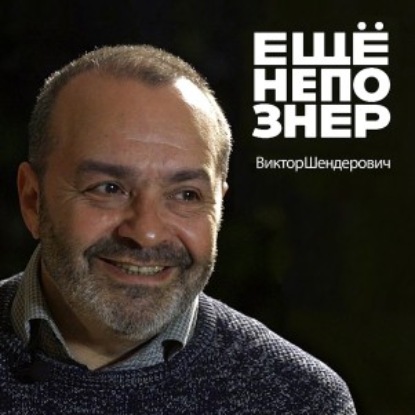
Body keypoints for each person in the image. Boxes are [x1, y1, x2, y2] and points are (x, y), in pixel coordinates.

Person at [0, 45, 356, 414]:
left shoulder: (302, 400)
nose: (147, 233)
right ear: (33, 201)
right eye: (109, 188)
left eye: (186, 195)